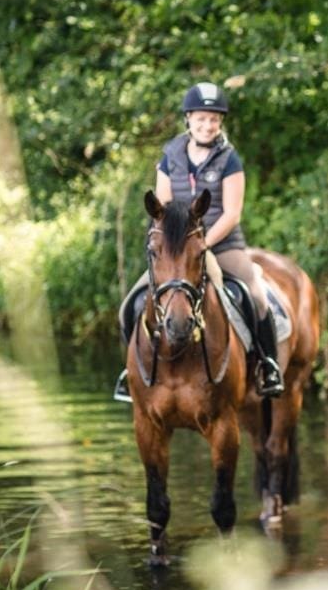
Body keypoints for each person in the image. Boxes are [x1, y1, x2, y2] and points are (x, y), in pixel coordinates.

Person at [115, 81, 284, 398]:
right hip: (177, 249)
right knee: (131, 304)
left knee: (257, 297)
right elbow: (163, 207)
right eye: (201, 118)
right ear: (188, 119)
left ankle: (267, 365)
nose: (208, 125)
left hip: (222, 244)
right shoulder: (170, 156)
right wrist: (179, 244)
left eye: (214, 119)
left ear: (220, 123)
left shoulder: (229, 159)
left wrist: (203, 244)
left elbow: (232, 212)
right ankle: (131, 371)